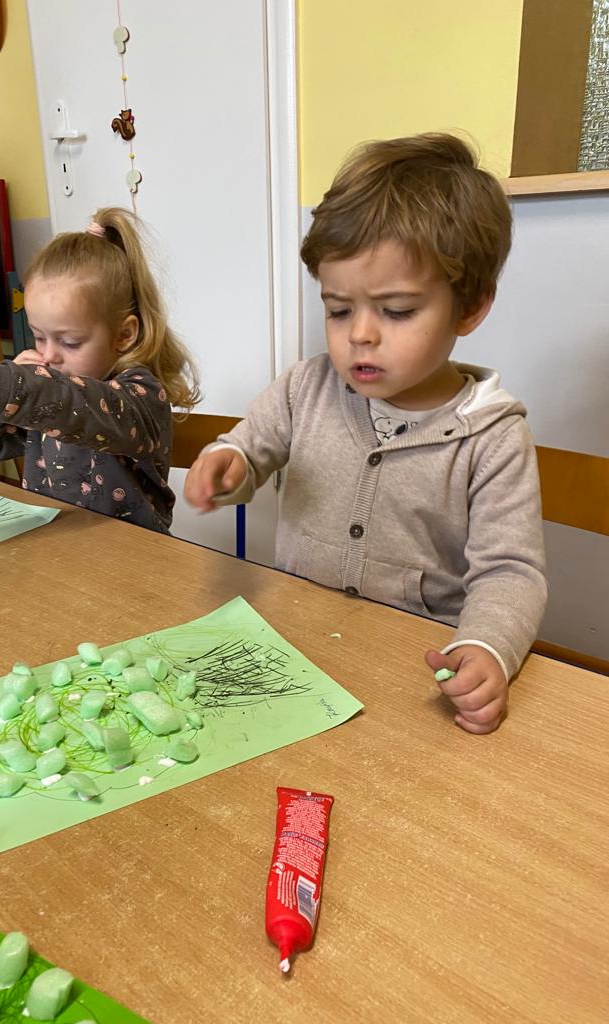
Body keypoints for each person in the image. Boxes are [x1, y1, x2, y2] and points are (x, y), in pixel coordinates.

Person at [185, 133, 547, 734]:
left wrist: (487, 647)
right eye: (338, 309)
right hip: (294, 651)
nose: (359, 335)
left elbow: (511, 573)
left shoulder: (492, 437)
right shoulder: (305, 387)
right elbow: (249, 447)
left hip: (412, 678)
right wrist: (229, 462)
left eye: (397, 311)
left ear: (469, 307)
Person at [0, 208, 199, 533]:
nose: (49, 355)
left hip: (135, 553)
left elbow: (74, 404)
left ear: (124, 334)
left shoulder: (141, 394)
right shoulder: (41, 392)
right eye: (39, 337)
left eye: (70, 342)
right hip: (59, 547)